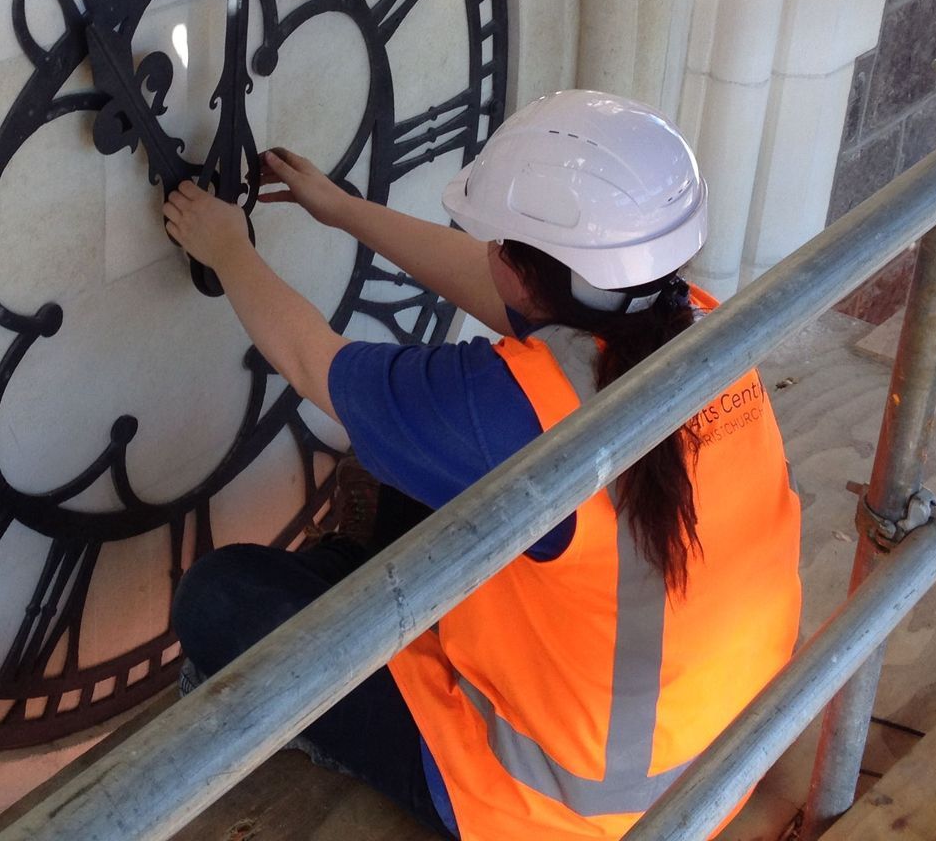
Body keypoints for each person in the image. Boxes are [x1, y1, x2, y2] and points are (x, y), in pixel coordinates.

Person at [161, 89, 802, 839]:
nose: (487, 254)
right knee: (412, 470)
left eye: (499, 246)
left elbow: (312, 362)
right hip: (721, 749)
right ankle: (362, 594)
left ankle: (358, 665)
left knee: (221, 599)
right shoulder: (690, 320)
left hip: (560, 807)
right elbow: (508, 288)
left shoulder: (509, 409)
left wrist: (228, 249)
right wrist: (342, 210)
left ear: (531, 275)